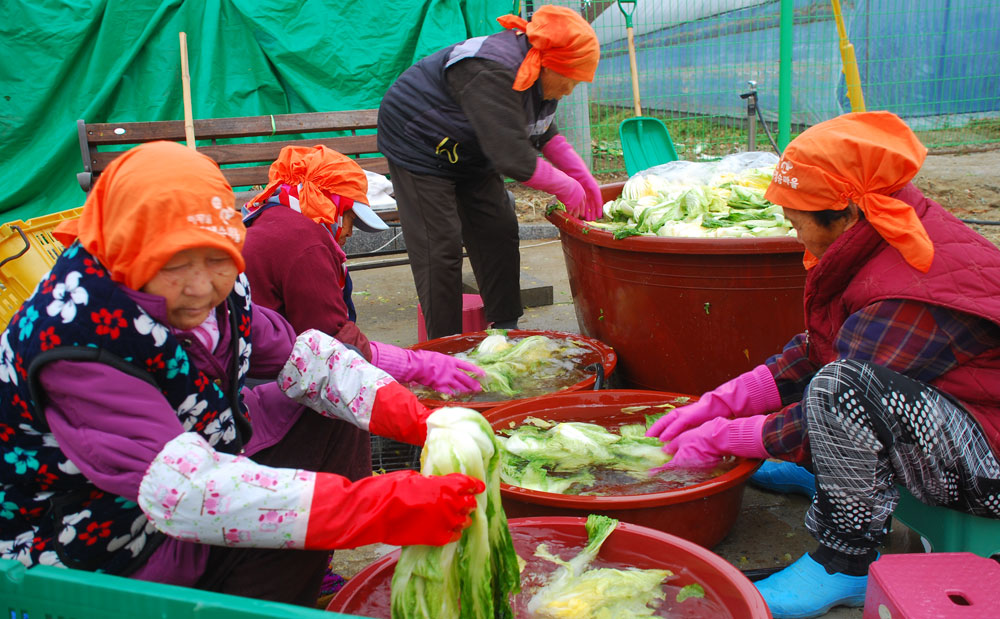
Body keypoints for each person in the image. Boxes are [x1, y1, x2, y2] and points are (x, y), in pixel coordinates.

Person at [0, 141, 484, 607]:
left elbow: (306, 360)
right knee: (291, 513)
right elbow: (186, 492)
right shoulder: (74, 341)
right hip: (94, 547)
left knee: (321, 410)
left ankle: (275, 586)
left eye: (217, 260)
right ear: (127, 252)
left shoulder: (223, 295)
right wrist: (375, 507)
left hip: (181, 485)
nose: (200, 287)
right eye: (173, 265)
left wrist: (417, 419)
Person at [646, 112, 1000, 619]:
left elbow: (846, 391)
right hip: (962, 421)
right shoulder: (884, 236)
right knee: (843, 377)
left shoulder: (911, 288)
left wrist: (728, 436)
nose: (794, 235)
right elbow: (827, 343)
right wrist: (722, 401)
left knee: (844, 389)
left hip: (990, 464)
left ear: (847, 213)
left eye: (796, 222)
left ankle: (845, 564)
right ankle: (831, 480)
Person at [241, 144, 487, 485]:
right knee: (345, 406)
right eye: (351, 219)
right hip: (265, 390)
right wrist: (415, 365)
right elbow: (331, 345)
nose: (349, 232)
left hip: (258, 369)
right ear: (331, 206)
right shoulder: (304, 240)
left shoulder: (273, 218)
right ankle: (346, 500)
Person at [377, 5, 604, 340]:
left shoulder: (536, 73)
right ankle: (445, 349)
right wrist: (565, 187)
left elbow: (543, 132)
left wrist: (583, 177)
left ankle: (506, 327)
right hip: (418, 143)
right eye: (571, 80)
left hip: (471, 146)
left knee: (496, 225)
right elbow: (513, 158)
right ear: (550, 66)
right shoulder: (491, 70)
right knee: (439, 246)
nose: (571, 89)